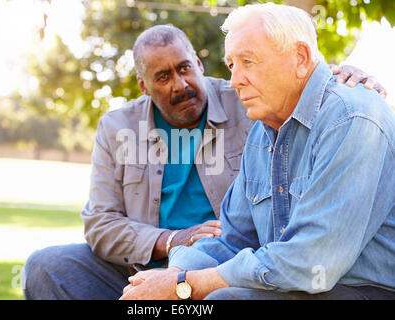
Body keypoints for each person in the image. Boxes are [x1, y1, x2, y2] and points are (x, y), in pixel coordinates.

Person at [23, 23, 387, 300]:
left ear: (198, 63)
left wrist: (341, 76)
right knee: (45, 266)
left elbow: (295, 87)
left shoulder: (247, 101)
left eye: (185, 68)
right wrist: (171, 244)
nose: (180, 84)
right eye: (163, 77)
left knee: (215, 297)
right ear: (144, 86)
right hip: (148, 264)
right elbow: (100, 223)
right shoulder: (116, 127)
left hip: (227, 269)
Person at [120, 4, 395, 300]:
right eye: (231, 65)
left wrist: (184, 286)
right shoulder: (262, 135)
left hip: (361, 289)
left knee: (218, 300)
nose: (236, 79)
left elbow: (312, 262)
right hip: (292, 285)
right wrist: (173, 275)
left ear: (300, 58)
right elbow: (230, 238)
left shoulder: (350, 118)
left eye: (248, 61)